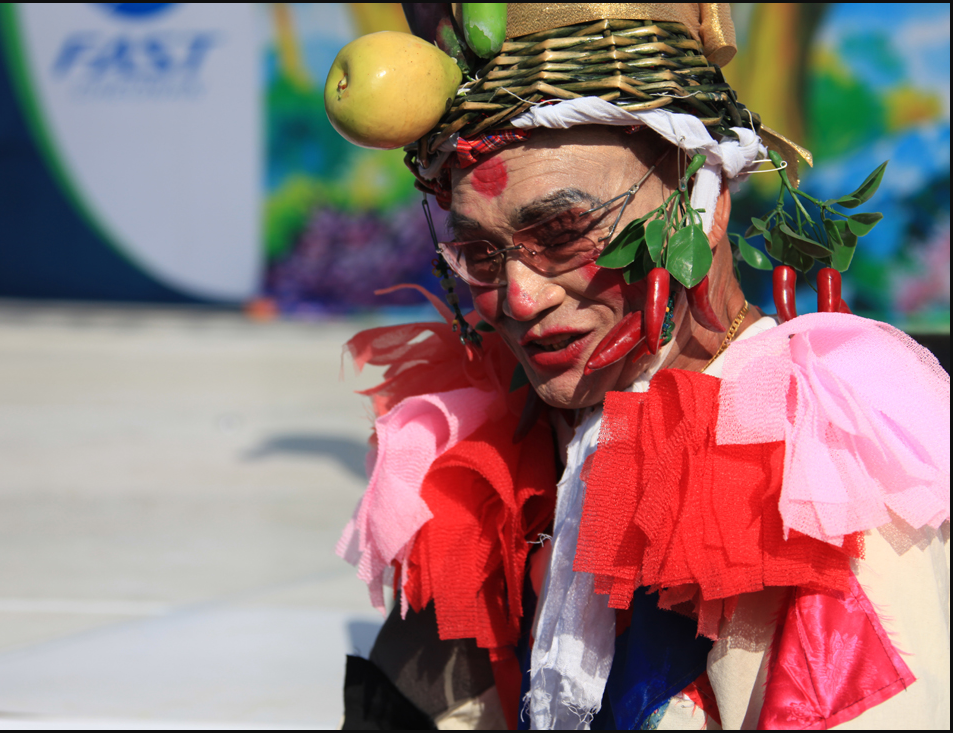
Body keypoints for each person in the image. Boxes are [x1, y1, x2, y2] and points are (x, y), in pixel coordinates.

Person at [332, 4, 950, 729]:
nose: (520, 298)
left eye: (564, 232)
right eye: (480, 253)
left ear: (704, 203)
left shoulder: (819, 471)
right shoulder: (498, 457)